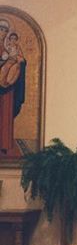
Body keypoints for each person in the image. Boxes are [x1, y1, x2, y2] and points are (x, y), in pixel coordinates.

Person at [0, 21, 26, 154]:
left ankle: (4, 144)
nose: (2, 33)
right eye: (0, 29)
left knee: (5, 115)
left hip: (7, 89)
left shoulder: (9, 48)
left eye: (5, 30)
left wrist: (21, 62)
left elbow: (20, 61)